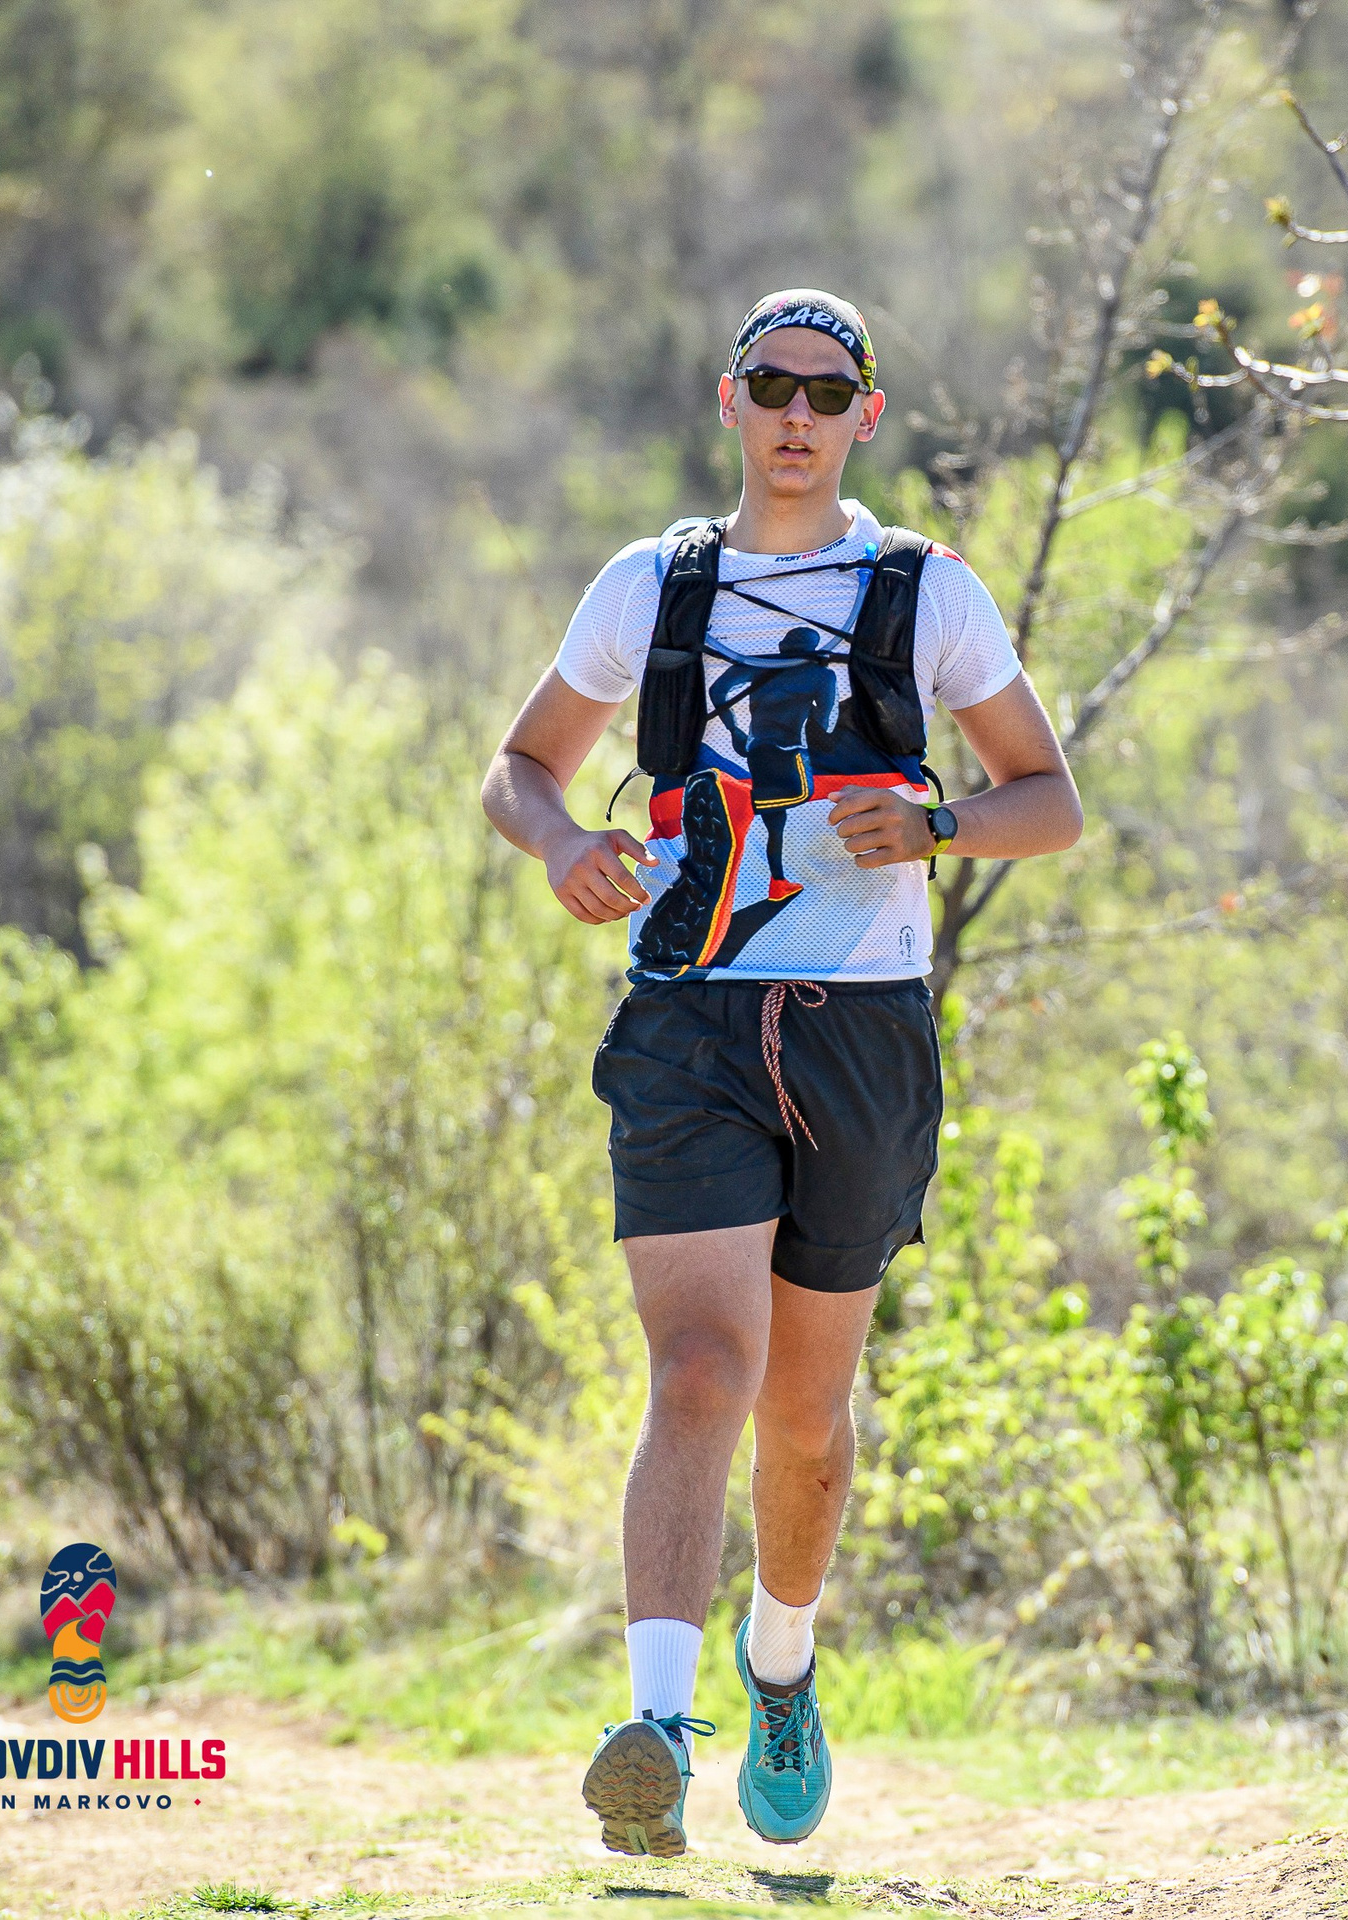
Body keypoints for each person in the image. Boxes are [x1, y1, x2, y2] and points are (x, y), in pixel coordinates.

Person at [481, 288, 1082, 1856]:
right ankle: (657, 1737)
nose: (799, 414)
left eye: (829, 389)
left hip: (859, 1025)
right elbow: (521, 763)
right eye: (772, 385)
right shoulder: (650, 585)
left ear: (867, 414)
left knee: (808, 1421)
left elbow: (1052, 800)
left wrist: (941, 824)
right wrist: (564, 846)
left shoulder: (925, 592)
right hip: (685, 1018)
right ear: (730, 401)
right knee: (699, 1374)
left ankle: (781, 1665)